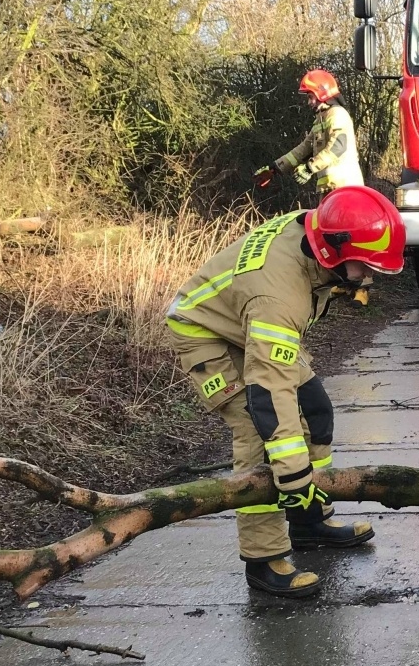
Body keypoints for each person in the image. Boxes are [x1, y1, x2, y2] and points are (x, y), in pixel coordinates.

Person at [165, 187, 406, 597]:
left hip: (247, 322)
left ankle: (310, 520)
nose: (368, 277)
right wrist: (292, 476)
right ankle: (263, 559)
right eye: (363, 267)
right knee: (258, 436)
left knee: (315, 411)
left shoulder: (318, 226)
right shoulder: (277, 296)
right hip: (205, 335)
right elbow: (269, 394)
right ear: (331, 252)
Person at [254, 70, 364, 194]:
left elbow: (337, 147)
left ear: (321, 93)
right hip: (330, 191)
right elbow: (304, 150)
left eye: (310, 97)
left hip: (346, 190)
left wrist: (309, 168)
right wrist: (274, 168)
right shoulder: (321, 119)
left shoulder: (337, 114)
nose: (309, 102)